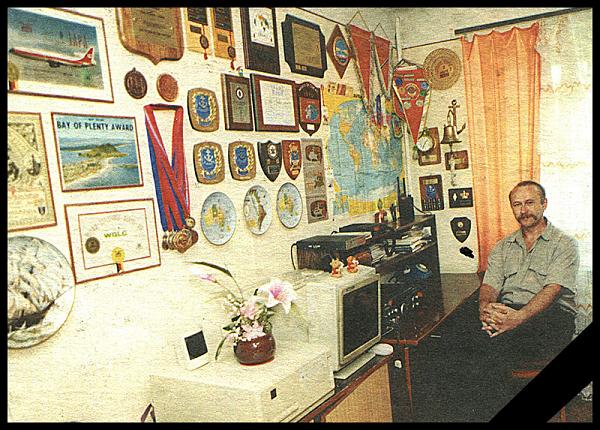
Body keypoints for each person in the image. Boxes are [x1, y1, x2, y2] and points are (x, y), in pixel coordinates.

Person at [426, 180, 579, 422]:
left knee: (488, 349)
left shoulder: (565, 244)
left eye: (529, 203)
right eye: (517, 204)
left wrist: (518, 318)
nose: (523, 210)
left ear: (544, 204)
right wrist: (485, 310)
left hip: (551, 316)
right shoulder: (503, 247)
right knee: (450, 340)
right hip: (508, 312)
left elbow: (552, 290)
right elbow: (489, 286)